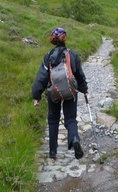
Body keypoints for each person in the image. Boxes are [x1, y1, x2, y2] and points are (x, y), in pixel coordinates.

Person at [32, 27, 88, 160]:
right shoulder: (72, 55)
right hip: (70, 91)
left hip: (53, 92)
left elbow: (42, 77)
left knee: (53, 119)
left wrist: (36, 96)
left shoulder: (48, 56)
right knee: (71, 119)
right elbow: (79, 74)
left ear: (53, 39)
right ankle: (74, 139)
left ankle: (52, 151)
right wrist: (84, 88)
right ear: (65, 39)